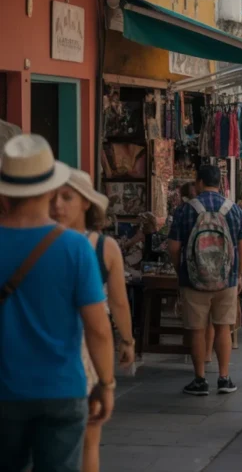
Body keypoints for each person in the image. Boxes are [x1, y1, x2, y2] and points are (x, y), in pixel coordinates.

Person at [0, 135, 115, 472]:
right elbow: (98, 328)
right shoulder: (74, 248)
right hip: (61, 389)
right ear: (50, 191)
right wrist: (106, 384)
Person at [52, 169, 134, 472]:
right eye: (54, 196)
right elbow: (117, 303)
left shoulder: (39, 241)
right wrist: (127, 341)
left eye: (66, 196)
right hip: (88, 346)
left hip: (60, 344)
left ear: (85, 203)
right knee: (89, 438)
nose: (58, 204)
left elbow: (119, 303)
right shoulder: (103, 246)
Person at [169, 164, 242, 396]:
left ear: (199, 182)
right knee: (224, 328)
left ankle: (200, 379)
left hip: (193, 279)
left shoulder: (186, 210)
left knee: (196, 329)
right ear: (220, 183)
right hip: (227, 279)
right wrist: (239, 274)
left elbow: (174, 247)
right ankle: (224, 378)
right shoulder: (234, 209)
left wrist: (181, 270)